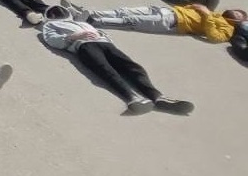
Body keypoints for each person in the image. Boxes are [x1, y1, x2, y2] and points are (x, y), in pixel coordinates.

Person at [38, 6, 192, 115]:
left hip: (105, 44)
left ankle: (158, 97)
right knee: (105, 70)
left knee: (132, 67)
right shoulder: (51, 25)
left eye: (58, 10)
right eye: (53, 12)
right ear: (49, 17)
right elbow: (52, 40)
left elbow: (98, 30)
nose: (56, 13)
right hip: (83, 46)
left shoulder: (82, 23)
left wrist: (104, 38)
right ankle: (132, 98)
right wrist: (74, 37)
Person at [58, 0, 244, 44]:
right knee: (124, 11)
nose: (235, 11)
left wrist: (206, 14)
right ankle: (87, 13)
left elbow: (214, 37)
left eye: (239, 13)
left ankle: (90, 20)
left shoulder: (228, 29)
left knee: (131, 21)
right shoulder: (217, 14)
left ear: (240, 20)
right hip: (169, 11)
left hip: (174, 23)